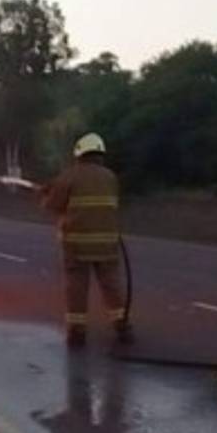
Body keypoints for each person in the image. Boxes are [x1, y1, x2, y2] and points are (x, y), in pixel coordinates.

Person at [42, 133, 132, 348]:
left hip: (77, 245)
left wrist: (46, 193)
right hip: (107, 244)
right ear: (100, 153)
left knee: (77, 287)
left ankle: (77, 332)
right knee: (112, 286)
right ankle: (122, 326)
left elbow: (52, 206)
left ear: (79, 154)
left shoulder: (69, 176)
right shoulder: (111, 177)